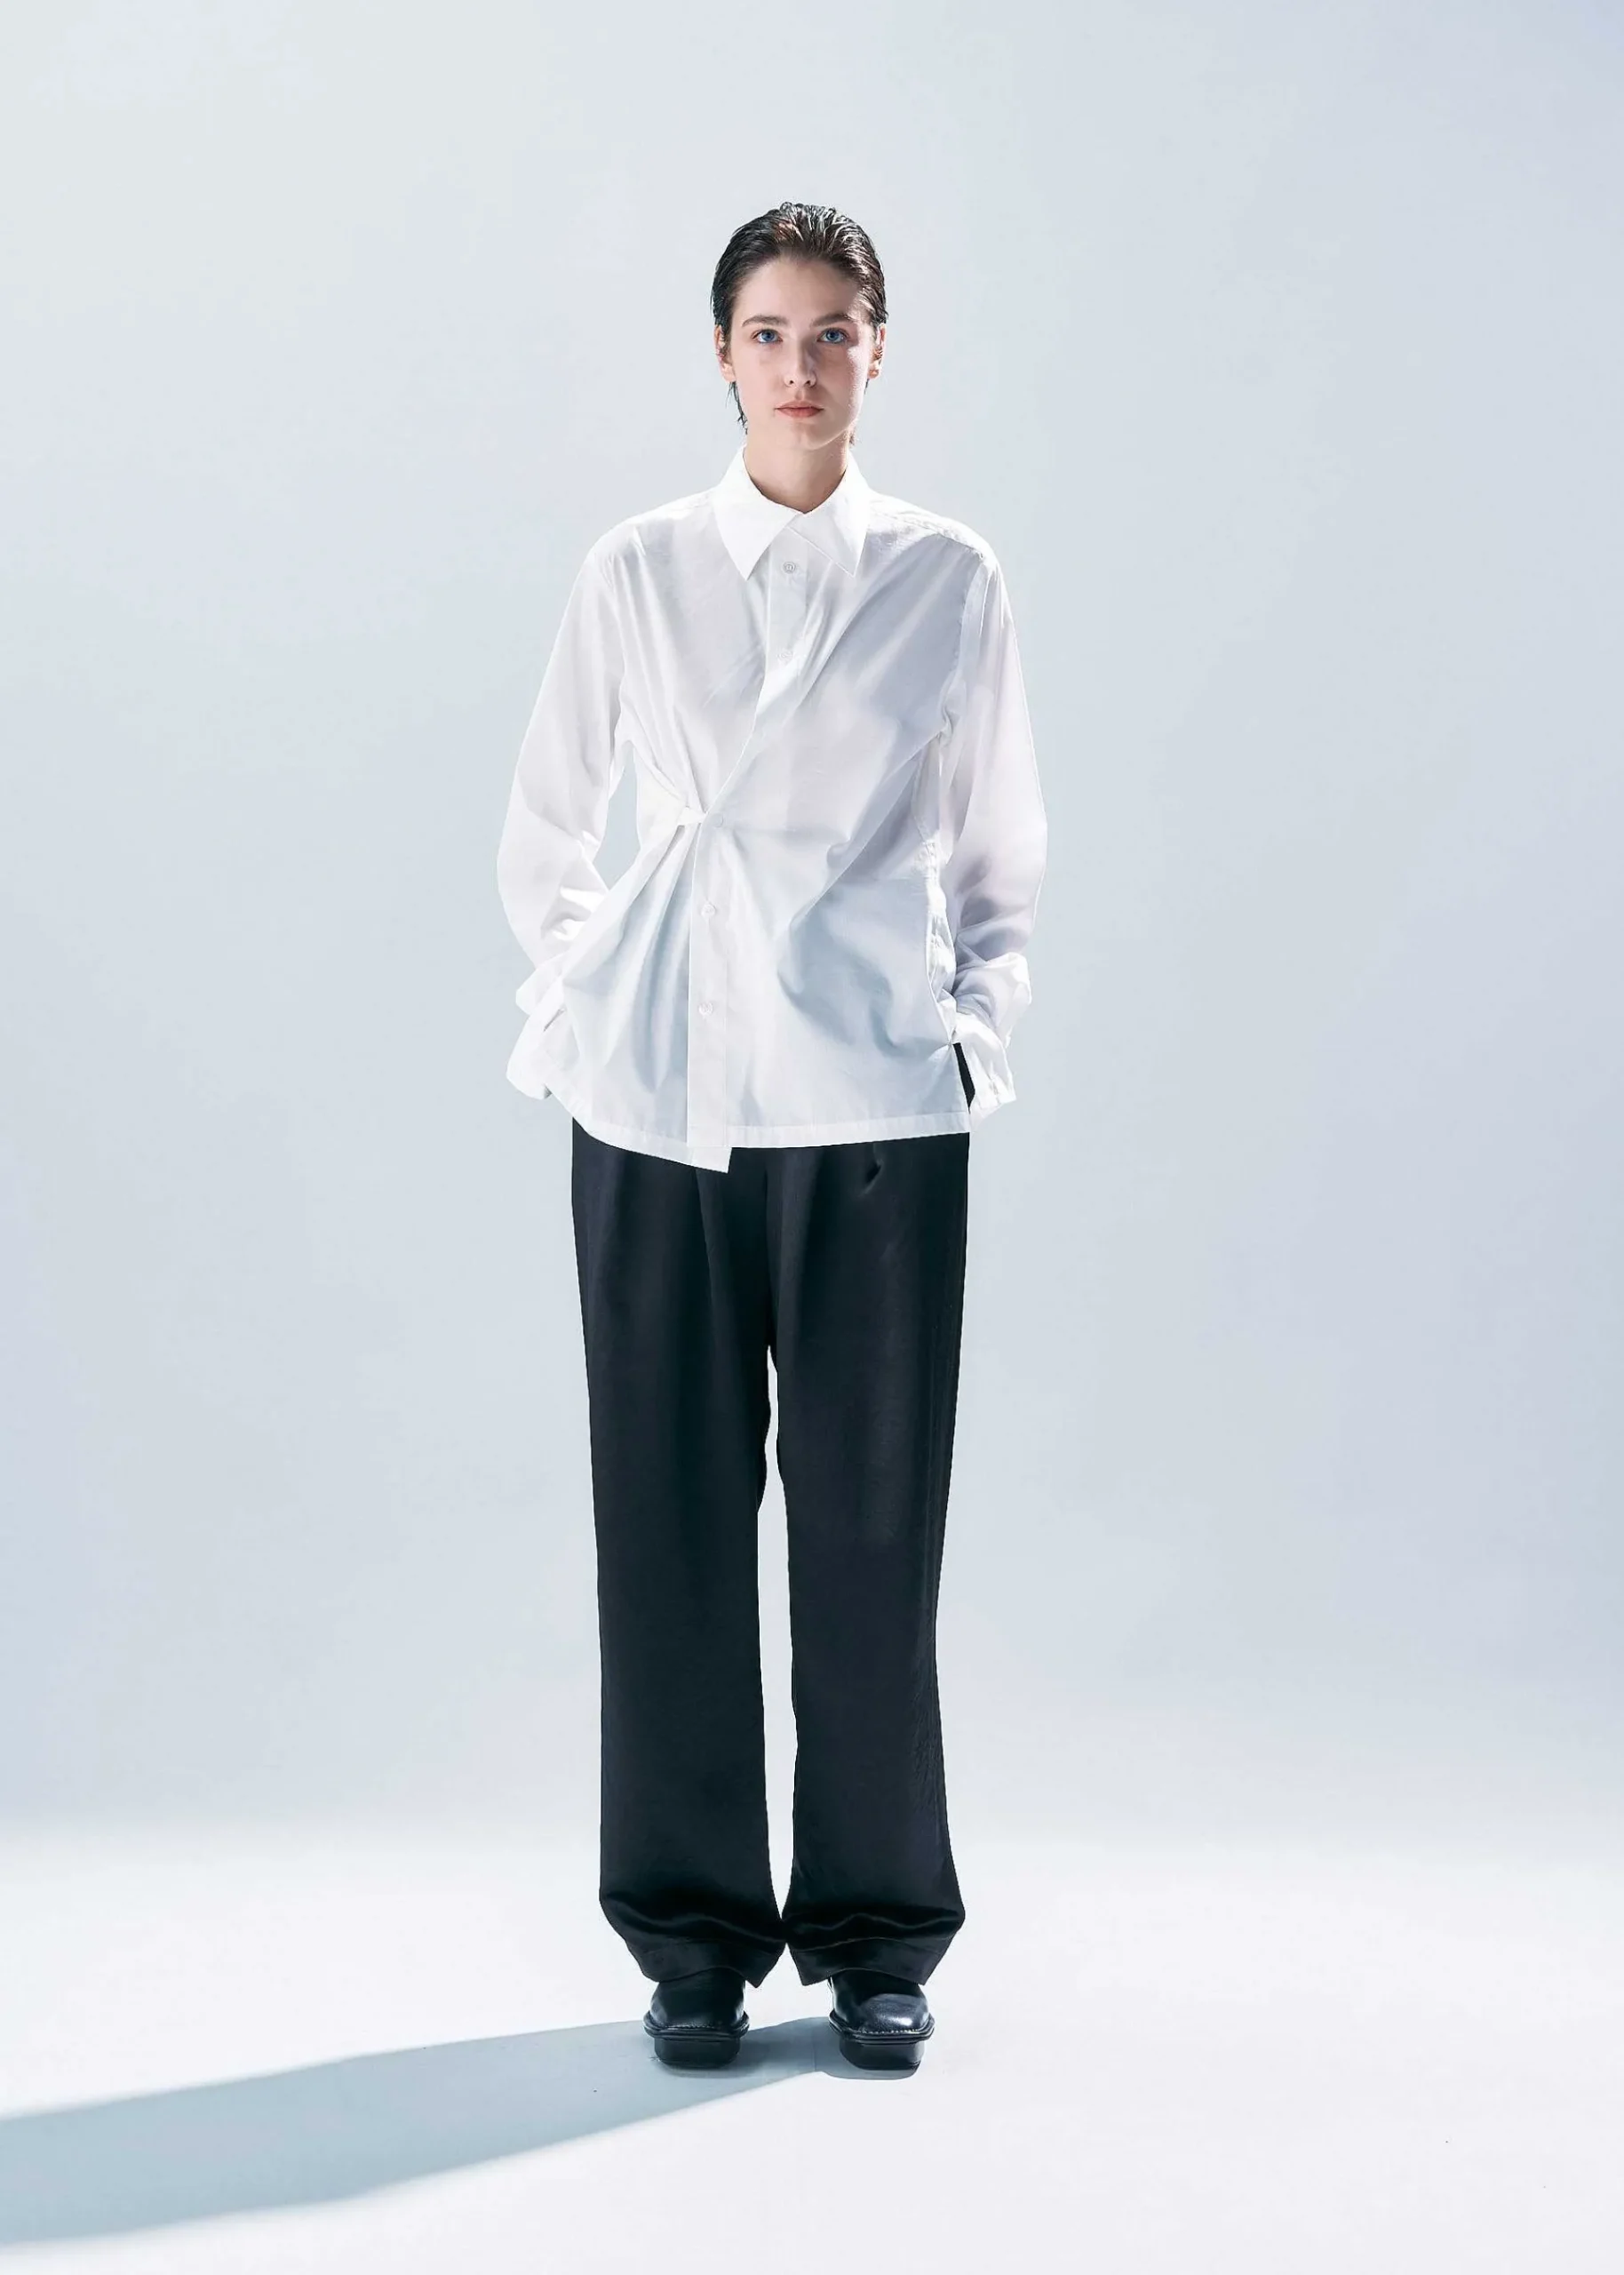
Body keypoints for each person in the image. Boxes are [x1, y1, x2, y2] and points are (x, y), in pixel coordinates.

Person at [496, 202, 1047, 2073]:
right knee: (662, 1520)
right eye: (765, 333)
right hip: (663, 1099)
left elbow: (999, 843)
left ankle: (879, 1931)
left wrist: (969, 1032)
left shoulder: (946, 576)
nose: (797, 368)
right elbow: (547, 826)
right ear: (720, 356)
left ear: (876, 352)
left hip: (876, 1097)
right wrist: (588, 1005)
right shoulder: (639, 569)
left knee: (873, 1523)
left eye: (830, 333)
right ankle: (692, 1937)